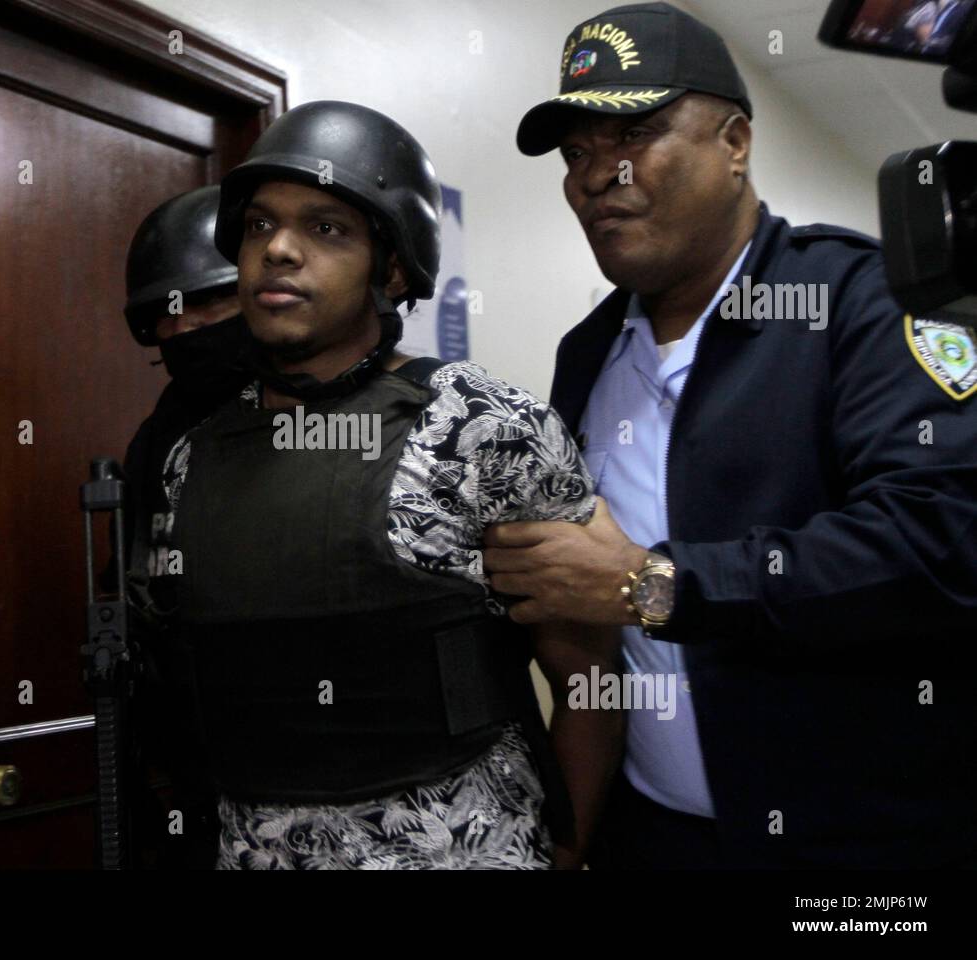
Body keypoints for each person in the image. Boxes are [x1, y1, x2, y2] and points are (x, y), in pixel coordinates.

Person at [494, 1, 977, 868]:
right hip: (653, 839)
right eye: (578, 154)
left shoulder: (862, 300)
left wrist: (655, 585)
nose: (600, 175)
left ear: (735, 143)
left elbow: (942, 543)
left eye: (634, 133)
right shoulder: (588, 354)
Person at [153, 100, 623, 869]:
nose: (279, 251)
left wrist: (567, 854)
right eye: (259, 226)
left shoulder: (485, 427)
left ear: (393, 265)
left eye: (326, 228)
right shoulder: (193, 458)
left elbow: (590, 683)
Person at [116, 185, 253, 869]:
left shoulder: (349, 411)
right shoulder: (158, 441)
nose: (183, 329)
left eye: (206, 303)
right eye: (164, 317)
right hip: (203, 788)